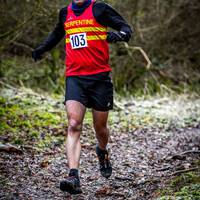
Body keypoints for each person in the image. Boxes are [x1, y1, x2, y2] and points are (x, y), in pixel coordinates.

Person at [32, 0, 132, 195]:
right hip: (75, 77)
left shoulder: (99, 8)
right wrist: (42, 49)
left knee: (100, 128)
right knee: (73, 124)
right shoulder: (65, 13)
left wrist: (119, 35)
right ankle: (73, 176)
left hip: (100, 78)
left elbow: (125, 27)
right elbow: (56, 34)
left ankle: (102, 151)